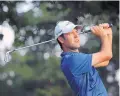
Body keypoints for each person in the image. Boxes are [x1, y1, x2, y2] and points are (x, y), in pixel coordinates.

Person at [54, 21, 112, 96]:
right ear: (61, 39)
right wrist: (103, 35)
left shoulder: (75, 58)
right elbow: (107, 55)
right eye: (70, 33)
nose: (76, 35)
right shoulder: (72, 60)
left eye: (76, 31)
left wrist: (108, 34)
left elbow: (105, 60)